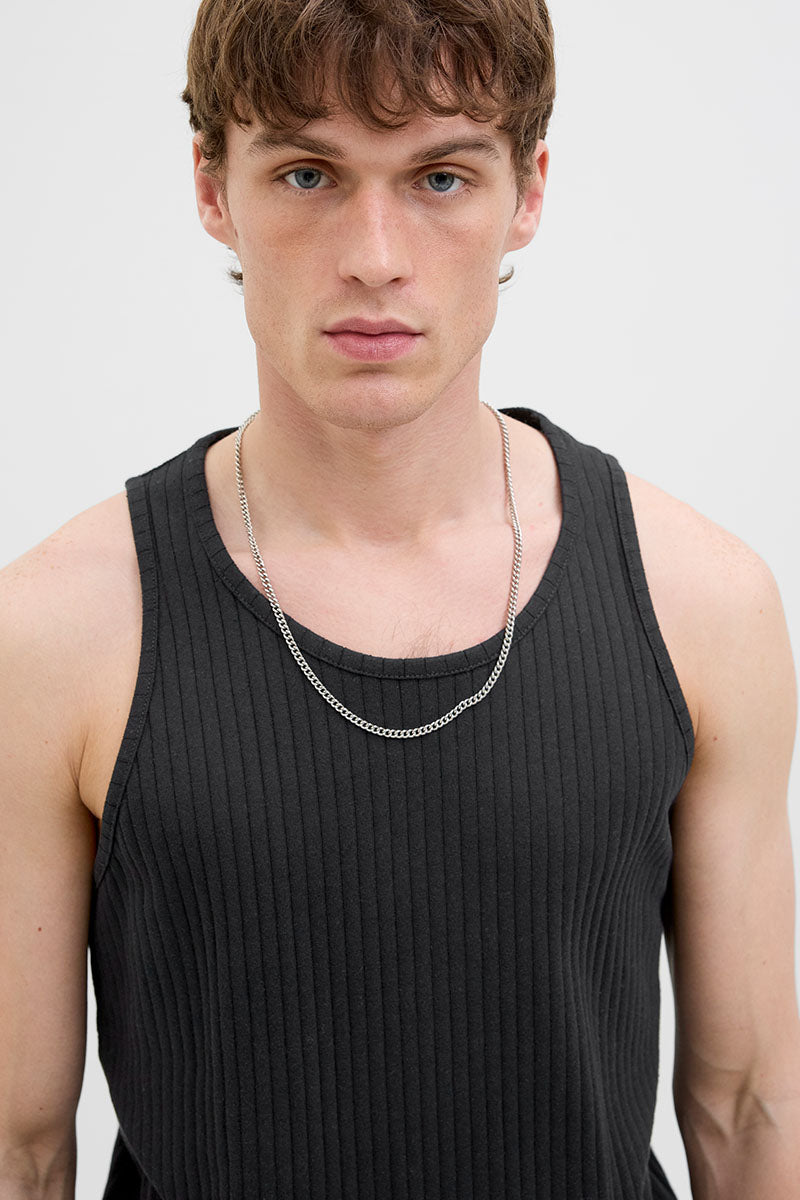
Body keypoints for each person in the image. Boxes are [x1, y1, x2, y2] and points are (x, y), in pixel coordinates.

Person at [1, 0, 798, 1197]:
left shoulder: (702, 603)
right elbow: (19, 1147)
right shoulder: (54, 631)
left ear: (526, 192)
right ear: (212, 187)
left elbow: (747, 1109)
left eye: (438, 178)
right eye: (307, 174)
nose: (373, 254)